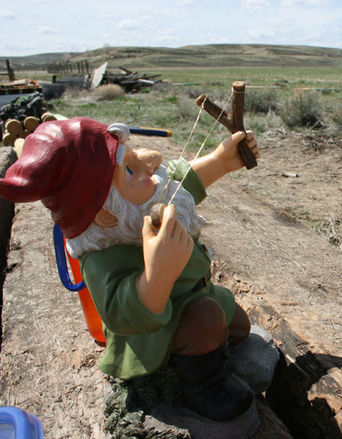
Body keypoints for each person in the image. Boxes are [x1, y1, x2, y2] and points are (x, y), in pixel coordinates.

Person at [0, 117, 264, 433]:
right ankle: (204, 388)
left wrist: (222, 160)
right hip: (158, 331)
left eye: (134, 154)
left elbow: (182, 182)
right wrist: (156, 277)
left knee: (237, 326)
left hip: (201, 294)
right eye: (130, 169)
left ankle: (207, 356)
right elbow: (121, 315)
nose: (152, 162)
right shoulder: (102, 258)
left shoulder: (144, 200)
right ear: (105, 213)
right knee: (206, 319)